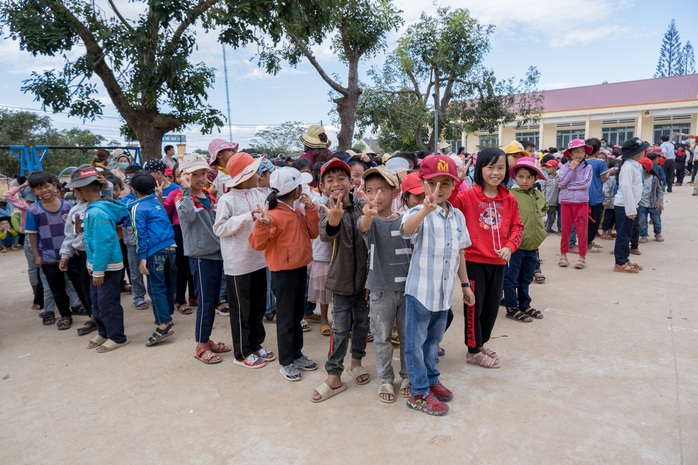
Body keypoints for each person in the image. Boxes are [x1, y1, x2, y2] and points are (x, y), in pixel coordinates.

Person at [401, 155, 475, 415]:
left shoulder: (457, 217)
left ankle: (431, 378)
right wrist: (425, 209)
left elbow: (460, 253)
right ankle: (418, 392)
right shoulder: (417, 213)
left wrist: (465, 284)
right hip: (420, 292)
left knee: (433, 342)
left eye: (446, 183)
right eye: (433, 183)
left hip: (444, 295)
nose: (439, 189)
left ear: (455, 185)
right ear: (422, 183)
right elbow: (407, 230)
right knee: (415, 343)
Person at [452, 148, 523, 368]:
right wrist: (456, 182)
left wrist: (510, 247)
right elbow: (449, 207)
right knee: (474, 306)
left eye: (501, 167)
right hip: (473, 262)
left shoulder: (509, 198)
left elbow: (517, 226)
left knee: (492, 308)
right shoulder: (467, 196)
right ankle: (472, 350)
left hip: (499, 263)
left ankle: (480, 343)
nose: (495, 172)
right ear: (480, 168)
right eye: (490, 167)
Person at [249, 167, 319, 381]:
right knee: (286, 319)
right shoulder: (274, 216)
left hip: (298, 270)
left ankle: (296, 354)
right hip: (283, 274)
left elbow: (313, 232)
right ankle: (286, 361)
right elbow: (256, 244)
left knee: (296, 316)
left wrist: (311, 210)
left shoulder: (296, 210)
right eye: (301, 185)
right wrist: (262, 225)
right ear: (296, 190)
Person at [311, 158, 369, 403]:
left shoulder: (361, 206)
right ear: (323, 187)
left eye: (341, 178)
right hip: (342, 283)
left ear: (351, 181)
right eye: (330, 180)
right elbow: (326, 232)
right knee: (340, 329)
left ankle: (356, 363)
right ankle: (334, 375)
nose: (336, 184)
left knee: (363, 325)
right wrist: (334, 217)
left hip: (366, 281)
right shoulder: (326, 209)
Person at [357, 165, 412, 404]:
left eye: (381, 190)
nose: (375, 196)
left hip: (409, 290)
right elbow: (362, 227)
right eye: (369, 190)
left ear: (395, 192)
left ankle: (408, 376)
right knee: (381, 338)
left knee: (408, 336)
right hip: (380, 290)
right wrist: (368, 215)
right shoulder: (371, 222)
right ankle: (386, 378)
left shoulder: (407, 220)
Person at [213, 152, 272, 368]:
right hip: (237, 265)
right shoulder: (226, 200)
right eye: (254, 171)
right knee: (241, 311)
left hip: (258, 260)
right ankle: (242, 352)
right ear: (245, 175)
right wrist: (247, 217)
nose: (258, 175)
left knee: (258, 307)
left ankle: (256, 344)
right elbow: (219, 228)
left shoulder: (258, 194)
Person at [175, 153, 230, 364]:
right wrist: (185, 190)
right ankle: (200, 346)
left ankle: (206, 340)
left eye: (203, 173)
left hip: (216, 255)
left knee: (213, 301)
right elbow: (188, 217)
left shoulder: (210, 196)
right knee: (206, 302)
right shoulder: (184, 199)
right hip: (201, 257)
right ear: (184, 176)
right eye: (194, 174)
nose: (200, 178)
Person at [67, 167, 130, 352]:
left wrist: (99, 269)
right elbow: (91, 241)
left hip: (107, 267)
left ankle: (117, 337)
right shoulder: (94, 208)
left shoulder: (97, 213)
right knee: (97, 301)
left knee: (108, 303)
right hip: (98, 265)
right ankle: (104, 332)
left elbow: (103, 243)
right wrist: (91, 264)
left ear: (78, 192)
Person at [25, 171, 89, 329]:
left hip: (71, 254)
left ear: (54, 186)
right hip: (49, 257)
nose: (44, 190)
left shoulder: (68, 206)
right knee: (57, 289)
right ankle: (65, 316)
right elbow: (32, 235)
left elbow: (76, 230)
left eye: (46, 186)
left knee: (80, 286)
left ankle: (92, 315)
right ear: (33, 191)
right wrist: (36, 256)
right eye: (38, 188)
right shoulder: (33, 211)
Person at [128, 170, 177, 345]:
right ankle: (167, 315)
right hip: (171, 247)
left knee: (156, 287)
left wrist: (142, 257)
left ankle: (164, 323)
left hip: (155, 251)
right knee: (168, 282)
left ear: (133, 190)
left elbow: (139, 233)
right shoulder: (157, 203)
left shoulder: (136, 207)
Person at [504, 158, 548, 322]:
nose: (525, 180)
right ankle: (511, 307)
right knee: (510, 279)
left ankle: (524, 304)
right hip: (515, 247)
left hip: (532, 246)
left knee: (526, 278)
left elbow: (544, 208)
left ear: (535, 178)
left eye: (529, 177)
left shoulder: (538, 195)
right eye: (521, 176)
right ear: (515, 177)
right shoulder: (510, 195)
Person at [613, 138, 649, 273]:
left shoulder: (635, 166)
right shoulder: (628, 167)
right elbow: (626, 188)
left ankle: (625, 258)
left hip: (632, 205)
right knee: (623, 235)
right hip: (625, 206)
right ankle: (620, 262)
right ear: (636, 153)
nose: (644, 152)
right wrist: (630, 209)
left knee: (627, 234)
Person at [557, 139, 593, 270]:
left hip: (581, 203)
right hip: (566, 203)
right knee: (565, 230)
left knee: (582, 231)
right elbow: (560, 181)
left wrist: (567, 186)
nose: (580, 154)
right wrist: (571, 168)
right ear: (570, 154)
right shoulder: (565, 167)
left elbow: (586, 184)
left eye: (582, 151)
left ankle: (582, 257)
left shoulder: (588, 167)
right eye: (577, 151)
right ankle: (563, 255)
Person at [637, 157, 664, 243]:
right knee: (642, 221)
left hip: (654, 204)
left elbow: (659, 191)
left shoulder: (654, 179)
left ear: (646, 169)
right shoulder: (637, 178)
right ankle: (644, 235)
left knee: (656, 220)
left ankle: (658, 233)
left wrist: (659, 202)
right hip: (641, 203)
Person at [540, 159, 559, 233]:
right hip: (547, 201)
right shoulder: (545, 178)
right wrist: (543, 200)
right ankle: (545, 229)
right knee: (546, 216)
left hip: (555, 201)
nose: (547, 169)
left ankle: (549, 228)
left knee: (552, 216)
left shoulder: (559, 178)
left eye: (549, 167)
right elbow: (542, 190)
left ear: (555, 168)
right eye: (546, 167)